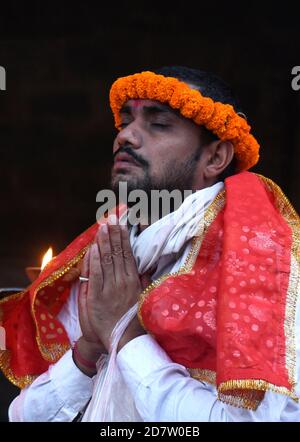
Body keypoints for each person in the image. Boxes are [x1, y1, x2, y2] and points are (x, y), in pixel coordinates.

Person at [1, 66, 299, 422]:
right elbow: (23, 417)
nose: (126, 135)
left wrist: (126, 339)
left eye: (158, 124)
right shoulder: (107, 250)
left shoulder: (270, 268)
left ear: (215, 157)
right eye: (126, 121)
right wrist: (88, 350)